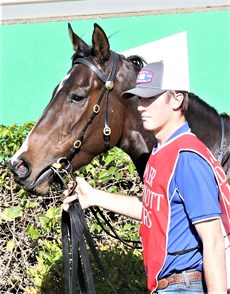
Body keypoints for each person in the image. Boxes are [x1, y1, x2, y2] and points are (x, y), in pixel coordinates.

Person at [63, 61, 229, 293]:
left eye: (151, 98)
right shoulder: (162, 153)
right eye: (140, 98)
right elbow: (153, 209)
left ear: (177, 99)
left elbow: (213, 240)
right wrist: (93, 196)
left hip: (185, 286)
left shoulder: (187, 158)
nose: (141, 106)